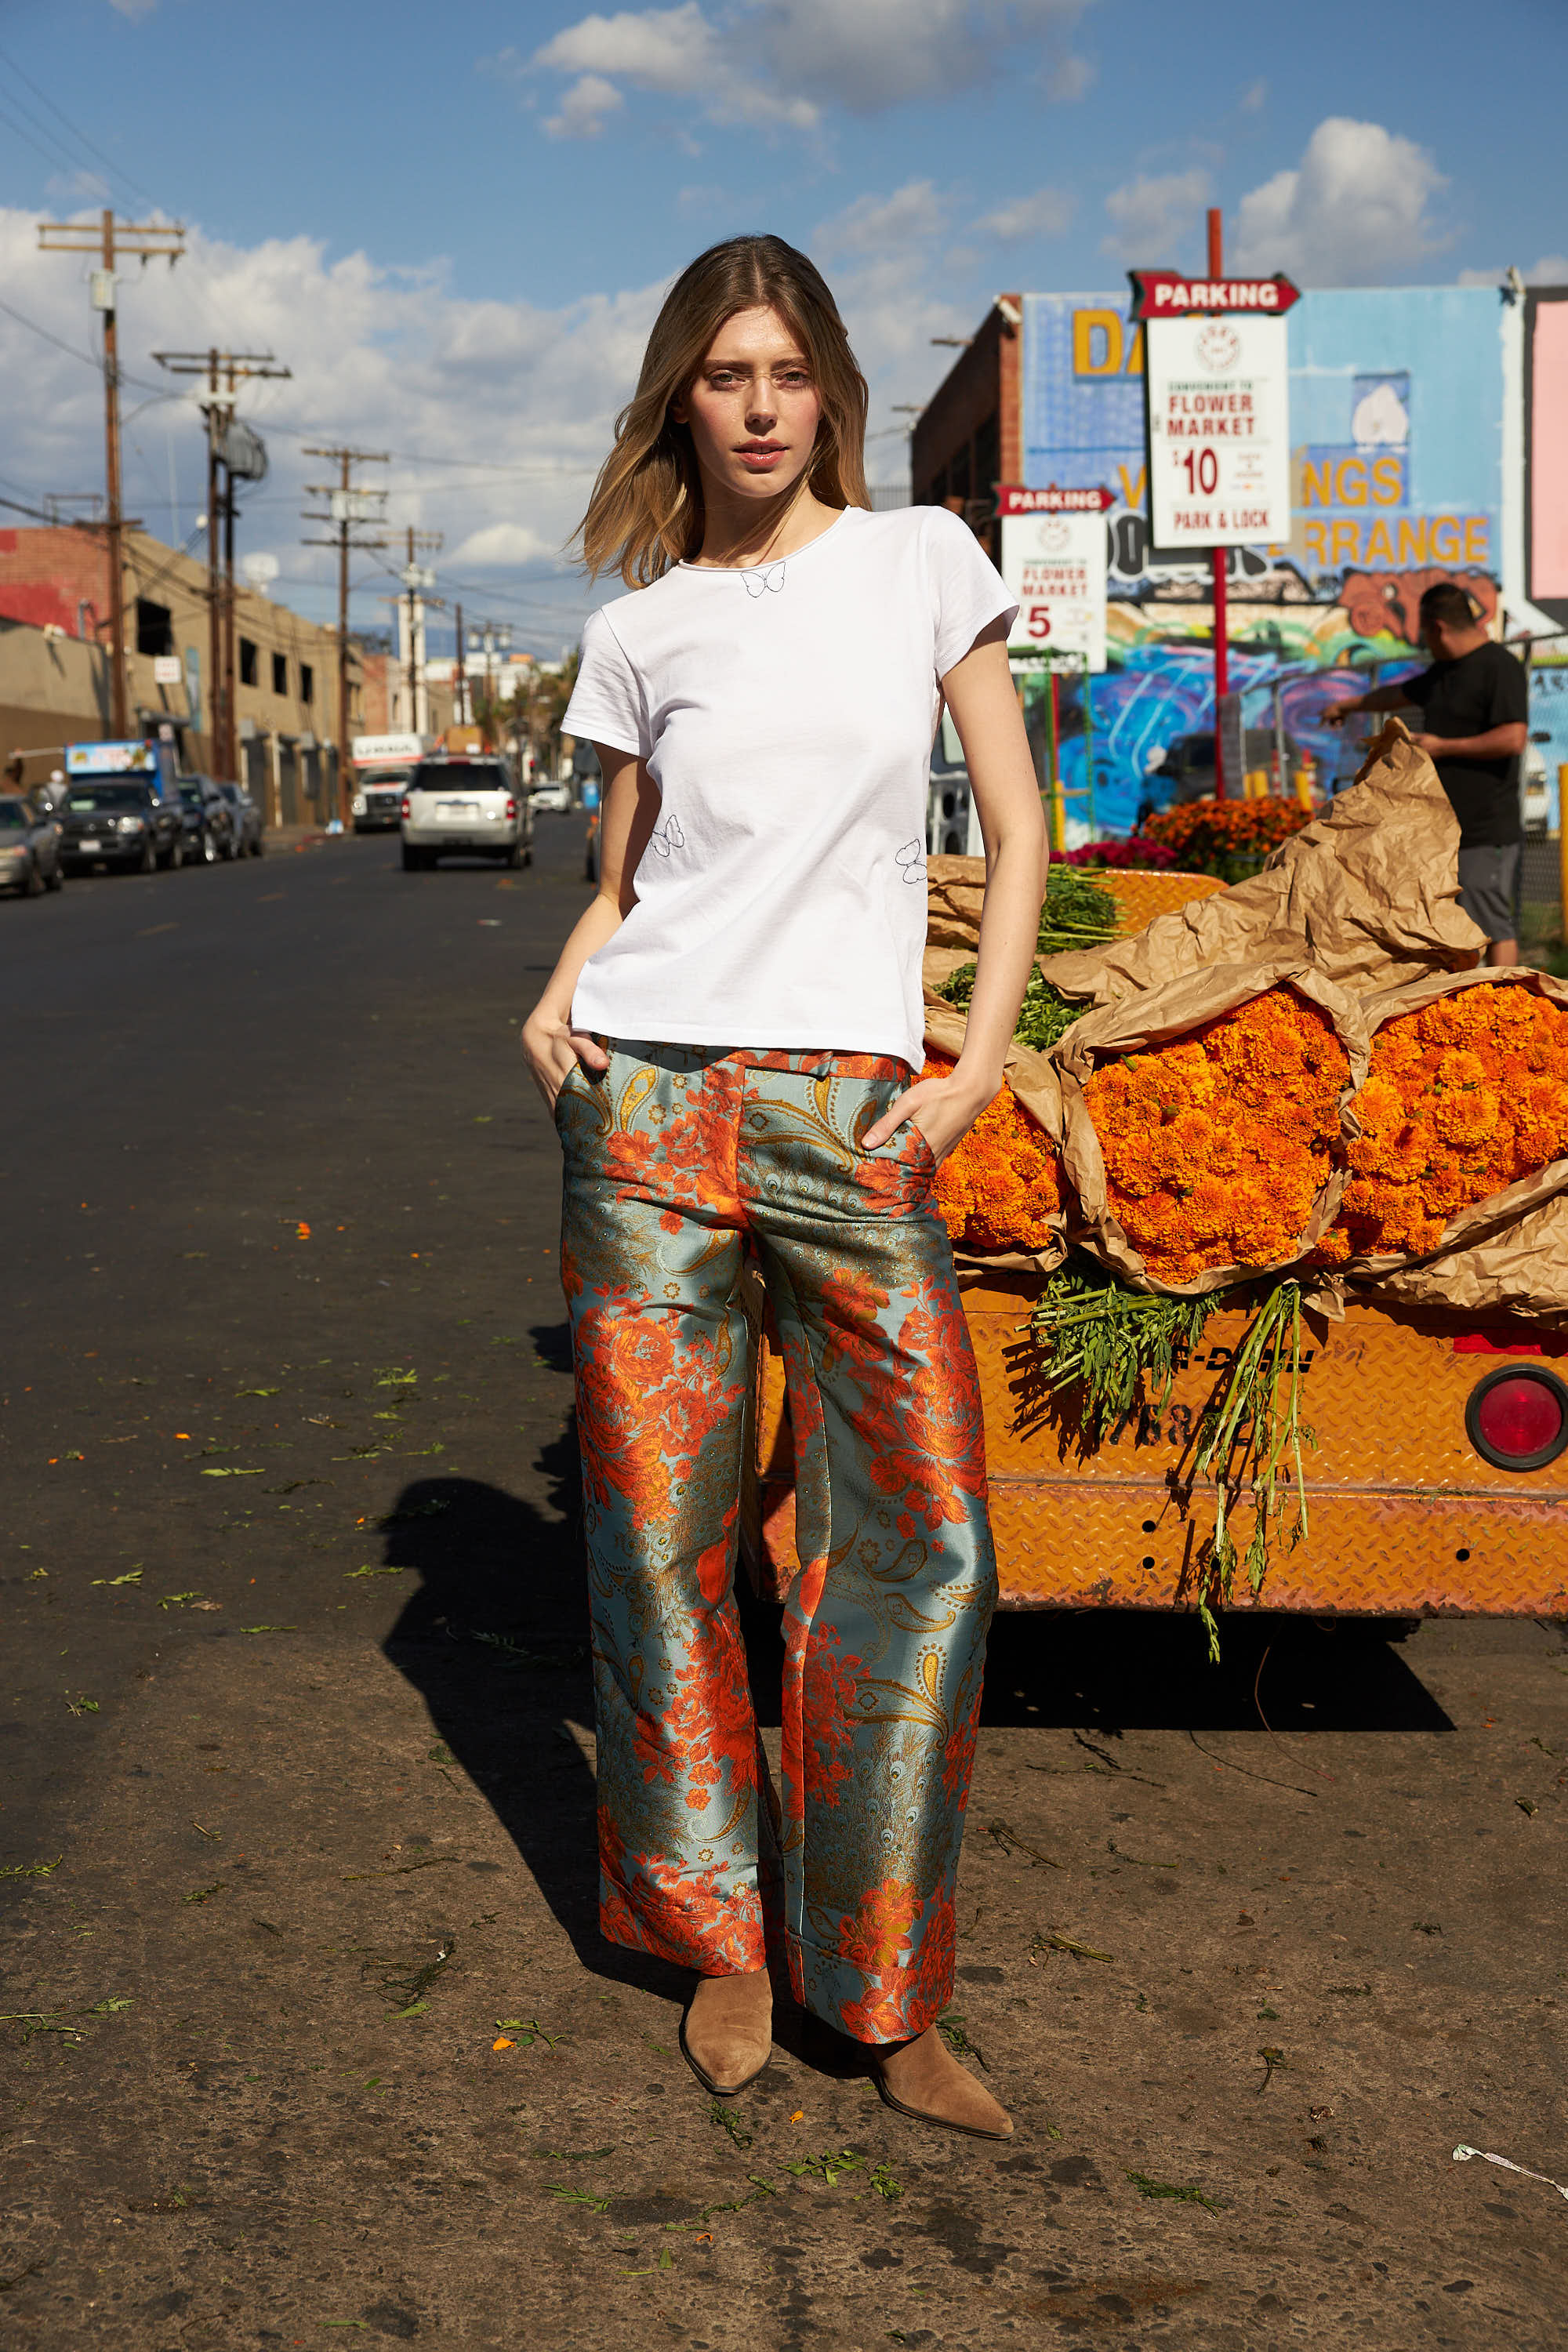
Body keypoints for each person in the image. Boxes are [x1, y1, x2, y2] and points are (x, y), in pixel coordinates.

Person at [521, 235, 1046, 2140]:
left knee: (923, 1532)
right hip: (648, 1108)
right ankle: (719, 1935)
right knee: (657, 1541)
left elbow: (1012, 821)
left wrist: (971, 1060)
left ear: (824, 385)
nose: (755, 404)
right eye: (721, 374)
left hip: (851, 1111)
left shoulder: (918, 563)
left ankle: (885, 1984)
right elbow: (622, 880)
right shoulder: (642, 627)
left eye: (784, 371)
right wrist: (563, 990)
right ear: (681, 396)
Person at [1324, 582, 1528, 964]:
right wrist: (1348, 705)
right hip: (1441, 830)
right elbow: (1398, 694)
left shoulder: (1499, 666)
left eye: (1424, 635)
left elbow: (1513, 738)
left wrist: (1441, 746)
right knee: (1451, 926)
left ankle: (1510, 1012)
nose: (1424, 644)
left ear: (1437, 628)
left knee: (1493, 926)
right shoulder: (1444, 673)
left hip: (1486, 830)